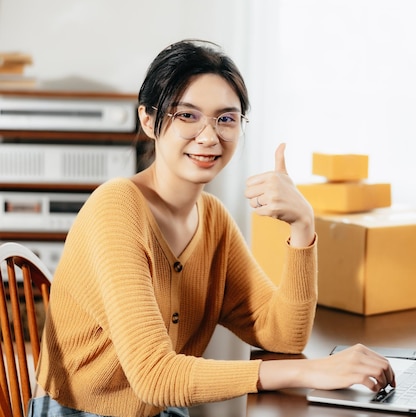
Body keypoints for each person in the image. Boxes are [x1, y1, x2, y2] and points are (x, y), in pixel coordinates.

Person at [30, 39, 395, 417]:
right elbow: (155, 376)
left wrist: (303, 224)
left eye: (225, 118)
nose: (209, 137)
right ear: (148, 120)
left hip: (164, 409)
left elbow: (283, 334)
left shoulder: (214, 218)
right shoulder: (116, 207)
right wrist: (310, 371)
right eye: (187, 115)